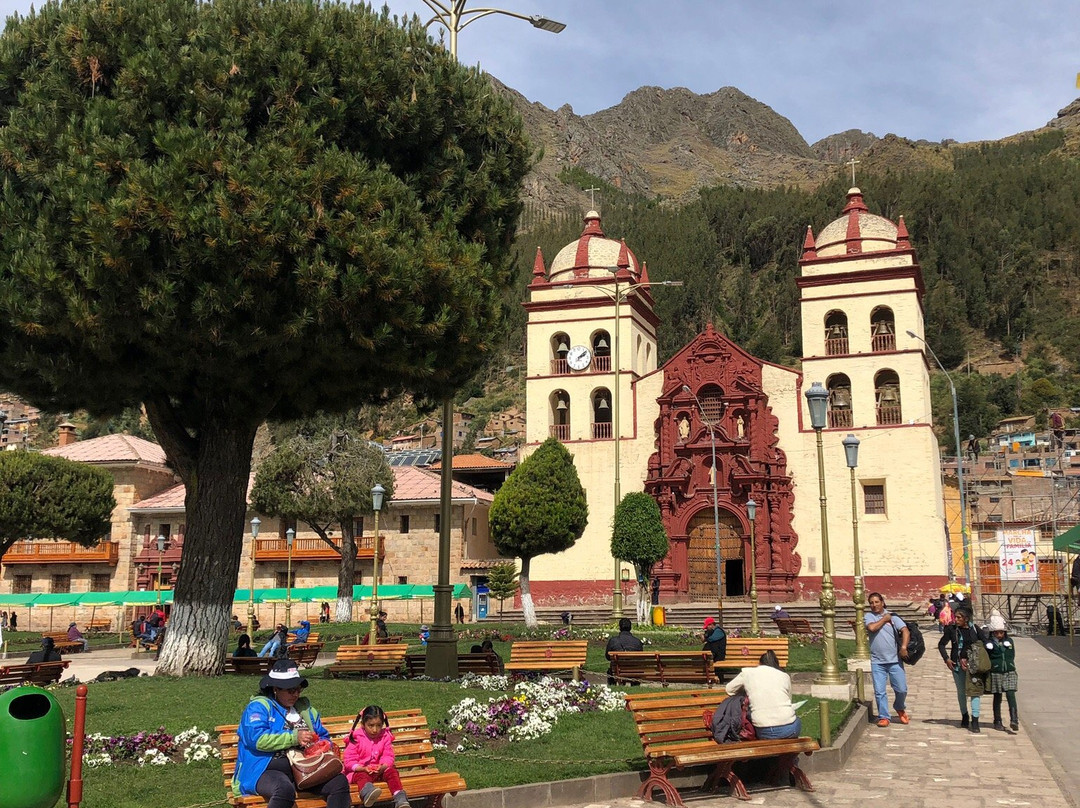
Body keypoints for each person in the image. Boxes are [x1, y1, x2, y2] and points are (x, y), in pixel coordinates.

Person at [232, 659, 350, 808]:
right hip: (264, 770)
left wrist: (324, 745)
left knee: (339, 783)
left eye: (298, 690)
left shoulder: (306, 710)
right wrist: (294, 738)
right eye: (290, 690)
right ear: (276, 688)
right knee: (283, 789)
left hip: (307, 769)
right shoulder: (259, 707)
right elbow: (256, 739)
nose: (295, 695)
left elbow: (322, 735)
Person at [343, 705, 410, 808]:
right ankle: (367, 792)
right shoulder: (356, 738)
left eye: (379, 725)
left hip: (379, 771)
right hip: (360, 771)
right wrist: (363, 768)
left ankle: (400, 798)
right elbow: (348, 762)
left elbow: (388, 756)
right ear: (363, 724)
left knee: (392, 772)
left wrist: (383, 766)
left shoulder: (385, 737)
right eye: (371, 725)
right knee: (362, 775)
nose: (375, 730)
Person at [724, 650, 801, 739]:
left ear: (759, 663)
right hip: (789, 728)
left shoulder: (747, 673)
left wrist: (746, 690)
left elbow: (729, 689)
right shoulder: (784, 676)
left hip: (764, 730)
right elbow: (789, 699)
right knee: (797, 721)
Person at [864, 592, 910, 728]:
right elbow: (872, 628)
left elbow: (905, 630)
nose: (874, 605)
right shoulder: (869, 617)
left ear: (882, 602)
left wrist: (903, 647)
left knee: (901, 689)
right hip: (877, 661)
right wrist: (885, 619)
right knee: (879, 691)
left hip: (895, 660)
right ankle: (884, 716)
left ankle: (899, 706)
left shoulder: (893, 616)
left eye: (877, 602)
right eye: (871, 603)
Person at [938, 604, 985, 732]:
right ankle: (964, 715)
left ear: (966, 618)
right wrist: (946, 659)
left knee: (974, 692)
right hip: (957, 666)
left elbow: (985, 642)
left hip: (973, 666)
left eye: (959, 617)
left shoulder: (975, 629)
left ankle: (975, 720)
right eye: (955, 617)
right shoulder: (951, 630)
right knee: (961, 692)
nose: (956, 619)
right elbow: (941, 644)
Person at [985, 613, 1019, 732]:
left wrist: (1009, 664)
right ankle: (997, 720)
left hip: (1009, 670)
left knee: (1011, 693)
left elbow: (1012, 655)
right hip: (996, 672)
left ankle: (1014, 719)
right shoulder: (989, 644)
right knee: (997, 696)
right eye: (997, 633)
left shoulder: (1009, 641)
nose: (1000, 635)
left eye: (1001, 632)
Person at [604, 617, 644, 685]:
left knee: (611, 670)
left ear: (620, 628)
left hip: (617, 671)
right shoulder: (637, 642)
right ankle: (635, 686)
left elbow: (607, 657)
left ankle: (613, 686)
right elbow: (640, 658)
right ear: (630, 628)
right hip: (634, 672)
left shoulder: (613, 641)